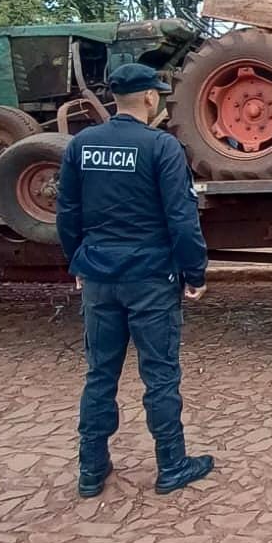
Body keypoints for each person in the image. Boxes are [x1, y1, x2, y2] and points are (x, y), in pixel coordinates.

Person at [55, 63, 214, 498]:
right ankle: (172, 465)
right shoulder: (161, 147)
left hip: (99, 277)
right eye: (158, 93)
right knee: (160, 375)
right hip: (150, 279)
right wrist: (195, 270)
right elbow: (181, 218)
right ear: (148, 98)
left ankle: (91, 470)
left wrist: (79, 263)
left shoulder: (81, 145)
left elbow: (67, 215)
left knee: (99, 374)